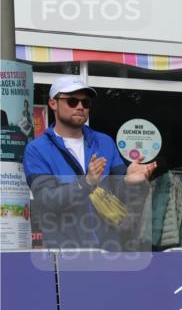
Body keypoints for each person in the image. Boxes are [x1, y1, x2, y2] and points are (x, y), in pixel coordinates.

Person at [23, 76, 156, 248]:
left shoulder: (105, 142)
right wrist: (86, 183)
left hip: (111, 250)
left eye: (85, 103)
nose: (80, 107)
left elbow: (122, 196)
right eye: (72, 101)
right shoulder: (37, 149)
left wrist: (129, 182)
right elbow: (46, 201)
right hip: (67, 254)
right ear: (53, 104)